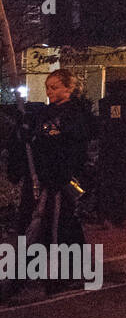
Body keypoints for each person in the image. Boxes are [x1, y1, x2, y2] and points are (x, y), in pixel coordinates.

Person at [7, 69, 95, 295]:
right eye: (47, 87)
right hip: (46, 178)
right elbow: (35, 136)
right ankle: (45, 274)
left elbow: (65, 138)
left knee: (63, 226)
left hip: (65, 178)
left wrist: (40, 133)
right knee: (44, 226)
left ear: (69, 88)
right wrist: (25, 131)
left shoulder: (77, 113)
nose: (49, 92)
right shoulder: (45, 113)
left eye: (54, 87)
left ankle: (69, 275)